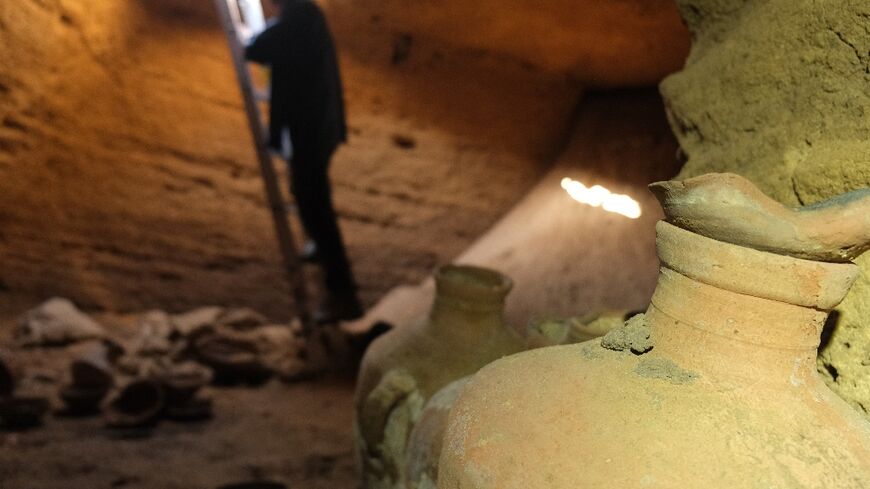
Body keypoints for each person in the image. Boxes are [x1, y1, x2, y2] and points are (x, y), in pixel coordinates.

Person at [243, 0, 362, 323]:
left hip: (313, 127)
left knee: (317, 206)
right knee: (305, 193)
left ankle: (343, 294)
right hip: (315, 127)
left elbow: (259, 49)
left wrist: (254, 39)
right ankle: (328, 265)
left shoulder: (301, 14)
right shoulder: (304, 14)